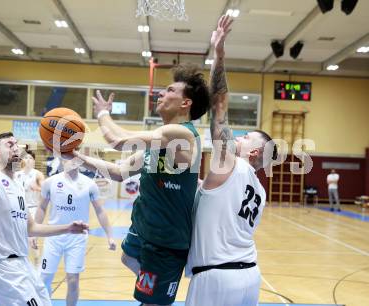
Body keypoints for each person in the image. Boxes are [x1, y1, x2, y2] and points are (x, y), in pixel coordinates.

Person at [73, 63, 210, 306]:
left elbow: (118, 140)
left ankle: (158, 289)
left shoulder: (183, 134)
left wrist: (103, 115)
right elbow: (117, 172)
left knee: (151, 301)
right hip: (145, 231)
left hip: (166, 241)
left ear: (185, 103)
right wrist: (80, 159)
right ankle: (157, 287)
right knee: (128, 258)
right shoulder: (157, 144)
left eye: (169, 90)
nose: (161, 93)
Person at [185, 15, 277, 306]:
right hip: (249, 277)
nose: (236, 135)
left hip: (216, 279)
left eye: (245, 136)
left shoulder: (230, 163)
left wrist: (219, 54)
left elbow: (219, 104)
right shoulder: (259, 192)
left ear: (252, 154)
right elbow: (217, 200)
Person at [0, 132, 89, 306]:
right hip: (1, 267)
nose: (15, 148)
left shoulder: (17, 184)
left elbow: (31, 228)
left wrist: (68, 228)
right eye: (9, 145)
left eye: (17, 145)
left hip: (23, 264)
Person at [34, 158, 116, 306]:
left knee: (73, 280)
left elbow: (100, 211)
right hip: (53, 236)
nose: (71, 161)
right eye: (67, 158)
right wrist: (35, 231)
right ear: (60, 160)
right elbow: (41, 208)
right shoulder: (50, 182)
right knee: (44, 278)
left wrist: (110, 236)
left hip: (77, 238)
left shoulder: (89, 184)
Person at [15, 150, 45, 266]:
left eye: (30, 158)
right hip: (19, 209)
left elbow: (46, 190)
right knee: (20, 237)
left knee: (31, 238)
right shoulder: (17, 174)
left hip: (33, 209)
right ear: (22, 160)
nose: (28, 160)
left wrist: (37, 188)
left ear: (34, 161)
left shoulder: (38, 174)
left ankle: (37, 261)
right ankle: (22, 263)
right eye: (26, 158)